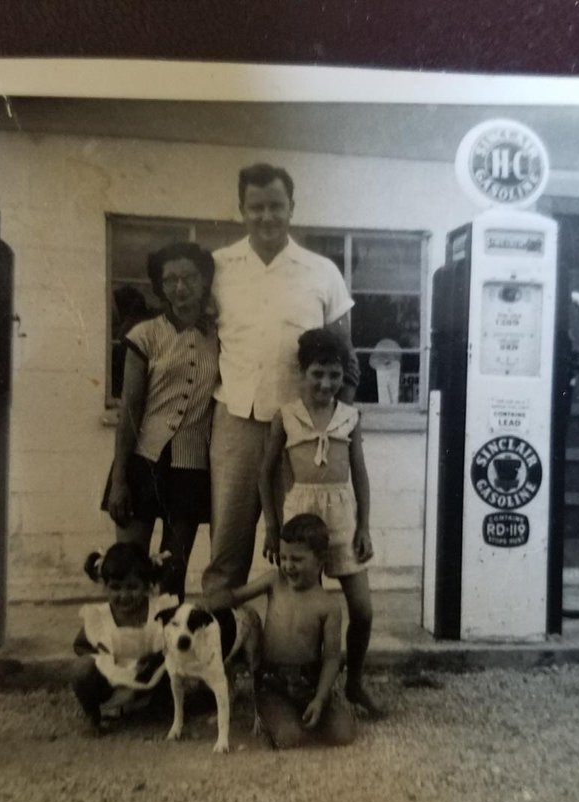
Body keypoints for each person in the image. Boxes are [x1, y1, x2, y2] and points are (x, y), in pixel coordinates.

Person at [201, 162, 361, 598]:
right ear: (241, 210)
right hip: (235, 420)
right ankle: (218, 648)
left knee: (300, 548)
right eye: (256, 207)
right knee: (227, 545)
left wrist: (332, 424)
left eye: (276, 206)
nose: (266, 217)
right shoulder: (218, 267)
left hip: (301, 432)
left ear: (291, 208)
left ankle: (294, 651)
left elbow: (346, 358)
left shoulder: (321, 271)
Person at [258, 328, 382, 717]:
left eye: (335, 375)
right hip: (300, 517)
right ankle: (300, 687)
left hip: (342, 517)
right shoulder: (287, 416)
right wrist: (273, 526)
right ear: (302, 372)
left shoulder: (350, 417)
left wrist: (363, 527)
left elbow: (359, 474)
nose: (327, 383)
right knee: (300, 608)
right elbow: (265, 474)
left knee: (362, 610)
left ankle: (355, 682)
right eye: (318, 374)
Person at [102, 241, 218, 599]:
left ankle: (169, 653)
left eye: (189, 278)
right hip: (142, 463)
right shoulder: (144, 335)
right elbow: (130, 413)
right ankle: (127, 651)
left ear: (204, 282)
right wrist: (119, 480)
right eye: (170, 280)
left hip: (190, 468)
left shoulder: (221, 336)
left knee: (172, 577)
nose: (180, 288)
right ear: (160, 286)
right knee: (130, 570)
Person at [218, 514, 356, 749]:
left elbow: (332, 658)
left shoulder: (329, 605)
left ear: (320, 560)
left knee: (344, 734)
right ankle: (271, 715)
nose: (287, 565)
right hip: (273, 683)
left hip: (309, 682)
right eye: (283, 558)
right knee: (290, 738)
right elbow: (235, 596)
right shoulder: (275, 581)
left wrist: (320, 699)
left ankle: (322, 706)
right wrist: (207, 602)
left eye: (297, 559)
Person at [71, 543, 180, 730]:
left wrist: (156, 659)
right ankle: (93, 716)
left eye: (132, 587)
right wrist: (102, 657)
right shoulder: (100, 617)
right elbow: (80, 645)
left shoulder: (160, 610)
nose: (124, 595)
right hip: (113, 679)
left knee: (174, 663)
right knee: (81, 669)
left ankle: (160, 708)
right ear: (105, 586)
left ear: (147, 585)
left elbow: (175, 642)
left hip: (150, 675)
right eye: (116, 587)